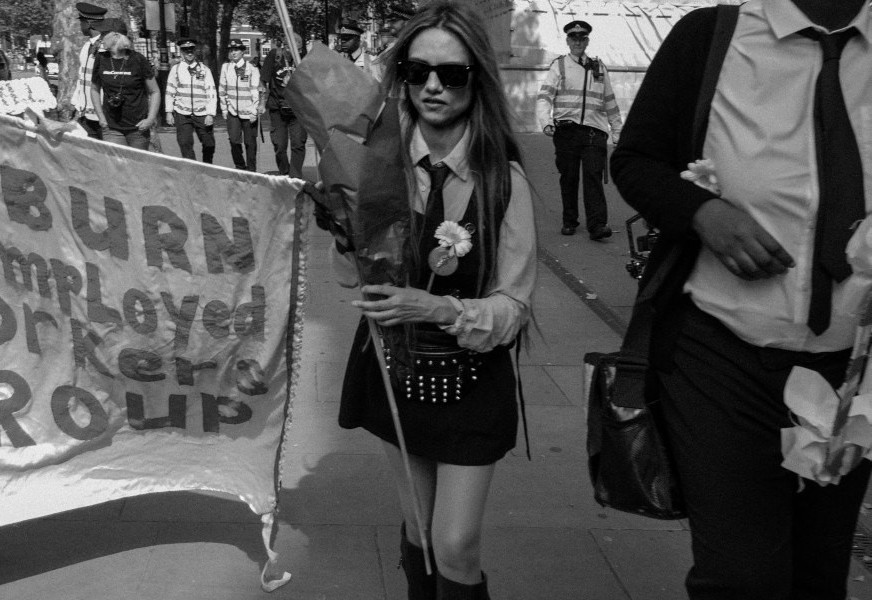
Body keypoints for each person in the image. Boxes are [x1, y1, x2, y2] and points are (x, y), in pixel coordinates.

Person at [610, 0, 872, 598]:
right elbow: (635, 160)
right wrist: (702, 213)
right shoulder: (712, 37)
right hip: (724, 362)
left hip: (851, 377)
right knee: (741, 576)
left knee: (818, 574)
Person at [336, 1, 536, 598]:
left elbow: (514, 306)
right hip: (394, 369)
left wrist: (441, 310)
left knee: (455, 544)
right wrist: (344, 225)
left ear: (477, 79)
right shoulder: (376, 166)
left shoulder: (506, 179)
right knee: (421, 531)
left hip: (472, 378)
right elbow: (350, 279)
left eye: (450, 73)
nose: (431, 86)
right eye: (417, 71)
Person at [536, 20, 622, 241]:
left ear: (587, 41)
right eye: (574, 39)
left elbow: (609, 100)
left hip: (594, 131)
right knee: (569, 177)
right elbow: (545, 96)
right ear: (568, 41)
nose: (578, 42)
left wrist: (617, 130)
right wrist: (545, 121)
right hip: (566, 132)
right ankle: (569, 220)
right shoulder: (560, 66)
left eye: (582, 38)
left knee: (593, 176)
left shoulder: (599, 68)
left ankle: (597, 225)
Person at [91, 25, 161, 150]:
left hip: (138, 128)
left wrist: (150, 119)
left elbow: (155, 91)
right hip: (111, 128)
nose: (101, 39)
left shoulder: (138, 59)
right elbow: (94, 89)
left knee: (136, 167)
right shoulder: (101, 59)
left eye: (104, 35)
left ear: (116, 38)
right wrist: (101, 117)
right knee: (117, 167)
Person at [258, 39, 307, 178]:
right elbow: (263, 81)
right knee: (280, 145)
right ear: (285, 47)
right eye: (292, 49)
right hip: (277, 107)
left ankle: (295, 177)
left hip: (297, 109)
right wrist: (262, 103)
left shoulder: (303, 59)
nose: (296, 52)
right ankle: (284, 172)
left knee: (298, 143)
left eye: (299, 49)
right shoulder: (275, 56)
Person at [165, 38, 216, 163]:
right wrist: (169, 111)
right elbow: (170, 91)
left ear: (195, 50)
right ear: (181, 51)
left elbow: (211, 92)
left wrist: (210, 114)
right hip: (182, 113)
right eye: (185, 50)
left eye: (191, 49)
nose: (189, 52)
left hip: (202, 113)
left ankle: (206, 167)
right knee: (185, 144)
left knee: (209, 144)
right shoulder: (176, 69)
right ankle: (193, 171)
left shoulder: (204, 69)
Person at [218, 38, 260, 171]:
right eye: (231, 50)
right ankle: (240, 167)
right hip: (233, 112)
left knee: (250, 143)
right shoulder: (226, 67)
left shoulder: (251, 69)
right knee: (234, 141)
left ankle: (252, 172)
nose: (233, 53)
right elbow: (222, 89)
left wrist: (254, 111)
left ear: (243, 52)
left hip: (248, 112)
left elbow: (255, 91)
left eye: (236, 50)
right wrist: (224, 108)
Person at [68, 2, 108, 139]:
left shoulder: (106, 46)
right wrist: (76, 103)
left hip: (103, 116)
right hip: (86, 115)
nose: (80, 26)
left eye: (82, 22)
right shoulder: (86, 46)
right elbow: (82, 78)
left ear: (89, 23)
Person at [370, 2, 416, 81]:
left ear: (407, 22)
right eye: (390, 21)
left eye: (394, 21)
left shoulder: (417, 47)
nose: (389, 24)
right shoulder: (388, 50)